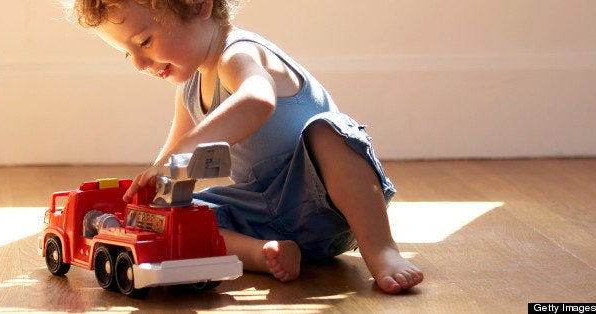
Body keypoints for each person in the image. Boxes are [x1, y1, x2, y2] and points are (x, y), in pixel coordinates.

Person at [63, 0, 423, 293]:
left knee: (329, 132)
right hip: (260, 209)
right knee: (177, 215)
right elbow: (174, 152)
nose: (140, 64)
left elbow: (258, 100)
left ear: (197, 5)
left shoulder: (238, 53)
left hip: (323, 199)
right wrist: (154, 185)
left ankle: (382, 250)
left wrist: (188, 145)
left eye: (143, 42)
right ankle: (263, 253)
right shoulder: (189, 88)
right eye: (127, 54)